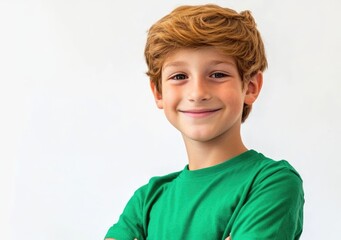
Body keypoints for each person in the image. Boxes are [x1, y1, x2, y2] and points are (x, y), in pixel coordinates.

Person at [104, 4, 304, 240]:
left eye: (218, 74)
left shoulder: (271, 182)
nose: (197, 93)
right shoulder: (146, 200)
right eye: (179, 77)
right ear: (158, 93)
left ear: (250, 87)